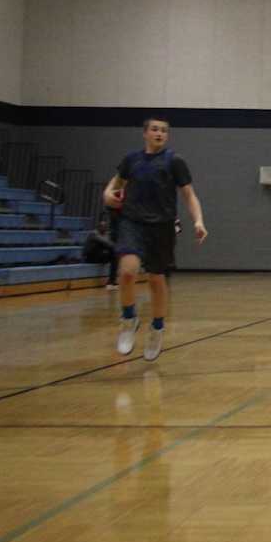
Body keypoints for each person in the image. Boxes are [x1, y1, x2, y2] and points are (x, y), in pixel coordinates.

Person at [102, 117, 207, 361]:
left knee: (156, 280)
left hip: (161, 226)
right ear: (145, 133)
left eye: (163, 130)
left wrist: (198, 220)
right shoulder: (131, 160)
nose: (159, 133)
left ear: (167, 136)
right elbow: (115, 183)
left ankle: (157, 328)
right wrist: (108, 193)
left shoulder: (175, 161)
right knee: (127, 272)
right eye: (155, 129)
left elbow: (190, 196)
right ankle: (129, 319)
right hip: (132, 221)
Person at [83, 213, 118, 288]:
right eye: (102, 226)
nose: (104, 228)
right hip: (90, 257)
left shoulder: (105, 234)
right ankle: (111, 281)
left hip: (99, 256)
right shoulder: (94, 234)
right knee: (112, 250)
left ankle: (112, 281)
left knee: (115, 255)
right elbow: (107, 243)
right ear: (98, 227)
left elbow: (110, 244)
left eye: (105, 226)